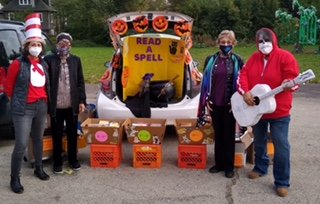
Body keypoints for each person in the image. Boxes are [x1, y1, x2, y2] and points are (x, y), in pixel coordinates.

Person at [237, 28, 300, 197]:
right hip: (257, 111)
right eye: (260, 42)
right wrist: (246, 92)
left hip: (279, 111)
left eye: (267, 41)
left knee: (281, 145)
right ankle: (260, 167)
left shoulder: (286, 57)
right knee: (259, 141)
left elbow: (293, 79)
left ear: (274, 40)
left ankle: (282, 181)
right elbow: (242, 75)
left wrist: (289, 83)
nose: (264, 45)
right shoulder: (253, 58)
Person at [5, 13, 50, 194]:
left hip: (41, 106)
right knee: (21, 143)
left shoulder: (43, 63)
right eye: (33, 44)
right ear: (26, 46)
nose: (36, 47)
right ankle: (14, 178)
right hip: (23, 108)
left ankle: (38, 167)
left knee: (38, 139)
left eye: (39, 45)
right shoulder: (18, 63)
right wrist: (17, 103)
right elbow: (9, 87)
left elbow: (46, 86)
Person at [197, 30, 244, 178]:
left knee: (229, 135)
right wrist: (206, 100)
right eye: (223, 42)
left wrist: (237, 102)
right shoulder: (211, 60)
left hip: (231, 104)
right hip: (214, 102)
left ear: (233, 44)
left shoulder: (238, 60)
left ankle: (229, 166)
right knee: (218, 134)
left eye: (229, 43)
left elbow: (242, 83)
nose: (226, 45)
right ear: (218, 43)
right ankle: (219, 163)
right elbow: (205, 81)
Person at [44, 32, 86, 174]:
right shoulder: (49, 60)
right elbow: (46, 83)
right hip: (56, 105)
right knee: (56, 133)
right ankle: (57, 161)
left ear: (71, 45)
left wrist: (82, 100)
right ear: (57, 44)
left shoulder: (75, 60)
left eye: (67, 43)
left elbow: (80, 82)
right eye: (61, 43)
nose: (64, 45)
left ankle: (73, 159)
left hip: (71, 104)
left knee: (72, 133)